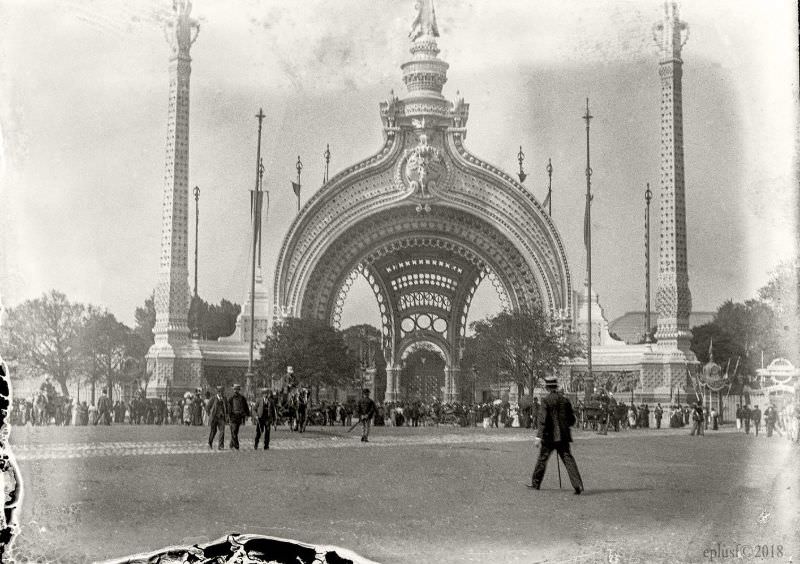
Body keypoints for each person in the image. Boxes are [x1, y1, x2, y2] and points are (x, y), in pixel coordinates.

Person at [528, 376, 584, 495]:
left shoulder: (546, 401)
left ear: (547, 387)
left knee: (542, 459)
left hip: (549, 436)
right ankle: (577, 484)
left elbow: (542, 420)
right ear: (556, 386)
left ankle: (536, 483)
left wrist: (539, 436)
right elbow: (572, 420)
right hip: (563, 436)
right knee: (568, 459)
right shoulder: (565, 400)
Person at [228, 384, 250, 450]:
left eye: (237, 389)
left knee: (235, 432)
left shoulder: (242, 398)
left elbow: (246, 407)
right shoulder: (231, 398)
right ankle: (236, 446)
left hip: (239, 417)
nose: (235, 390)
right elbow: (228, 407)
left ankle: (231, 444)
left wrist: (247, 415)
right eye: (234, 389)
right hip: (233, 417)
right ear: (233, 390)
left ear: (238, 390)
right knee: (234, 431)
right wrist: (228, 416)